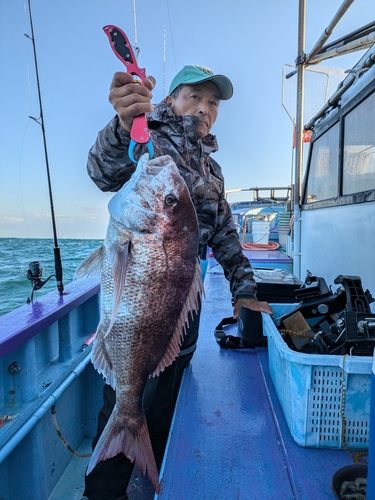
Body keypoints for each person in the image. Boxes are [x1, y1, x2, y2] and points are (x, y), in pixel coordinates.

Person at [83, 64, 273, 500]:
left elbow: (224, 231)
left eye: (213, 102)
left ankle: (152, 472)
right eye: (195, 96)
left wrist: (244, 290)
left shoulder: (212, 169)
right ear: (171, 99)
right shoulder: (146, 136)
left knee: (168, 392)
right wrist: (122, 123)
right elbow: (102, 171)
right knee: (124, 395)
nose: (204, 108)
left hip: (184, 300)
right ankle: (103, 492)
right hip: (144, 297)